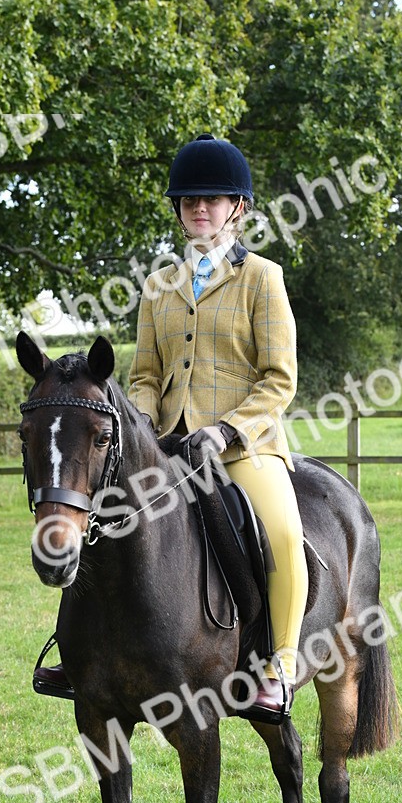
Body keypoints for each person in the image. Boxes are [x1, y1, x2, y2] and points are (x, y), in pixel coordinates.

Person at [127, 133, 308, 718]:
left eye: (211, 199)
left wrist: (226, 431)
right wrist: (145, 430)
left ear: (238, 208)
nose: (198, 208)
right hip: (170, 446)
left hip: (243, 448)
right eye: (188, 201)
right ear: (178, 211)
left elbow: (279, 379)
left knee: (281, 536)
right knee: (100, 523)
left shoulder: (263, 278)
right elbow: (145, 376)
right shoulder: (158, 287)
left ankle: (280, 666)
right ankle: (87, 655)